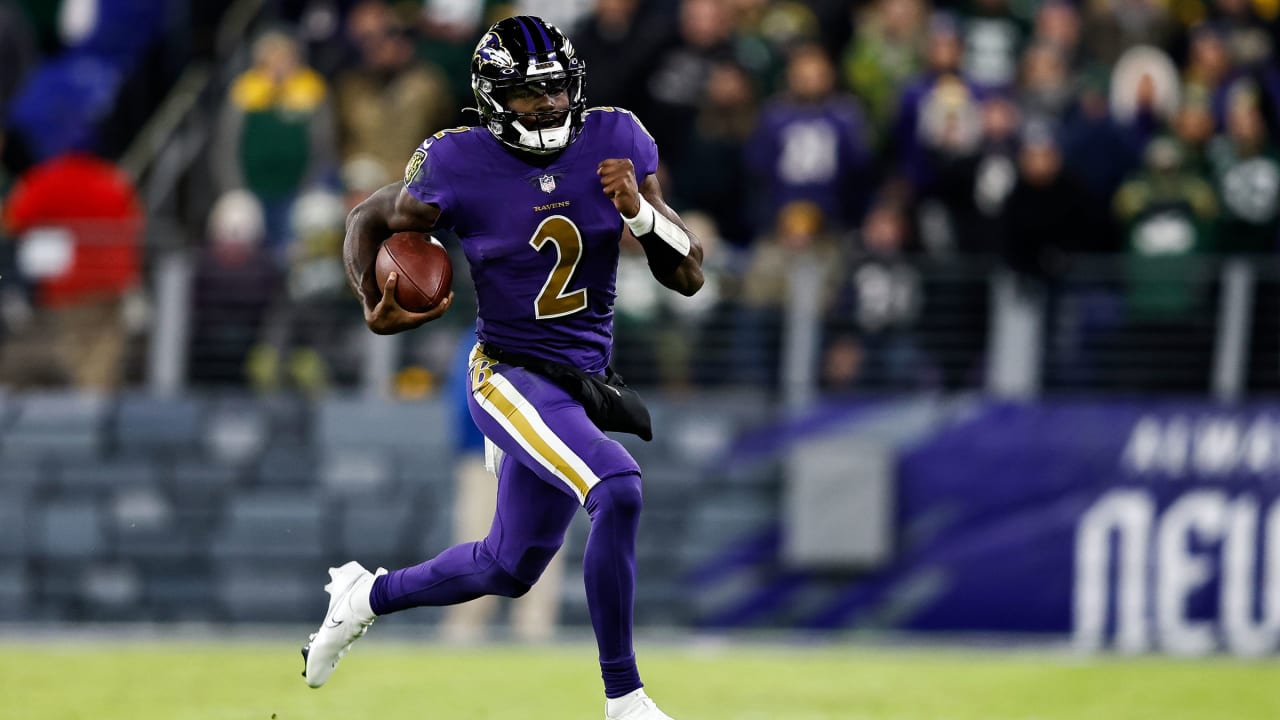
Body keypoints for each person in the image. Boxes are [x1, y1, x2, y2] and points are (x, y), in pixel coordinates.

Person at [302, 16, 704, 720]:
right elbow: (368, 215)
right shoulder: (458, 163)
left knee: (508, 566)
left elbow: (689, 274)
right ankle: (626, 700)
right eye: (527, 94)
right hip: (510, 373)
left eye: (554, 89)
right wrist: (371, 300)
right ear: (494, 100)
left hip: (581, 380)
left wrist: (639, 213)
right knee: (618, 487)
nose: (546, 105)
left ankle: (363, 596)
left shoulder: (615, 139)